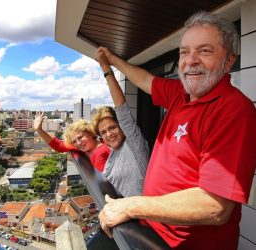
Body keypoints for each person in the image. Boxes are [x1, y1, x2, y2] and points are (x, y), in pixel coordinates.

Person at [96, 11, 256, 250]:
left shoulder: (233, 110)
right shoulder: (181, 94)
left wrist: (130, 205)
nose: (190, 61)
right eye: (184, 52)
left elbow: (215, 206)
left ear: (229, 60)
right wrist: (111, 61)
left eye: (204, 51)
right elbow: (145, 80)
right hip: (151, 230)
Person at [93, 57, 149, 198]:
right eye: (103, 132)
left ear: (122, 127)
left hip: (142, 217)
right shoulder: (111, 156)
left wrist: (106, 69)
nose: (109, 134)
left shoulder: (133, 145)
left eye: (112, 127)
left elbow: (122, 110)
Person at [34, 112, 110, 172]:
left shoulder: (101, 152)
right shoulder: (85, 146)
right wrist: (39, 131)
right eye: (74, 141)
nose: (78, 143)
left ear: (90, 133)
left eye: (80, 137)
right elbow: (59, 145)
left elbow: (103, 184)